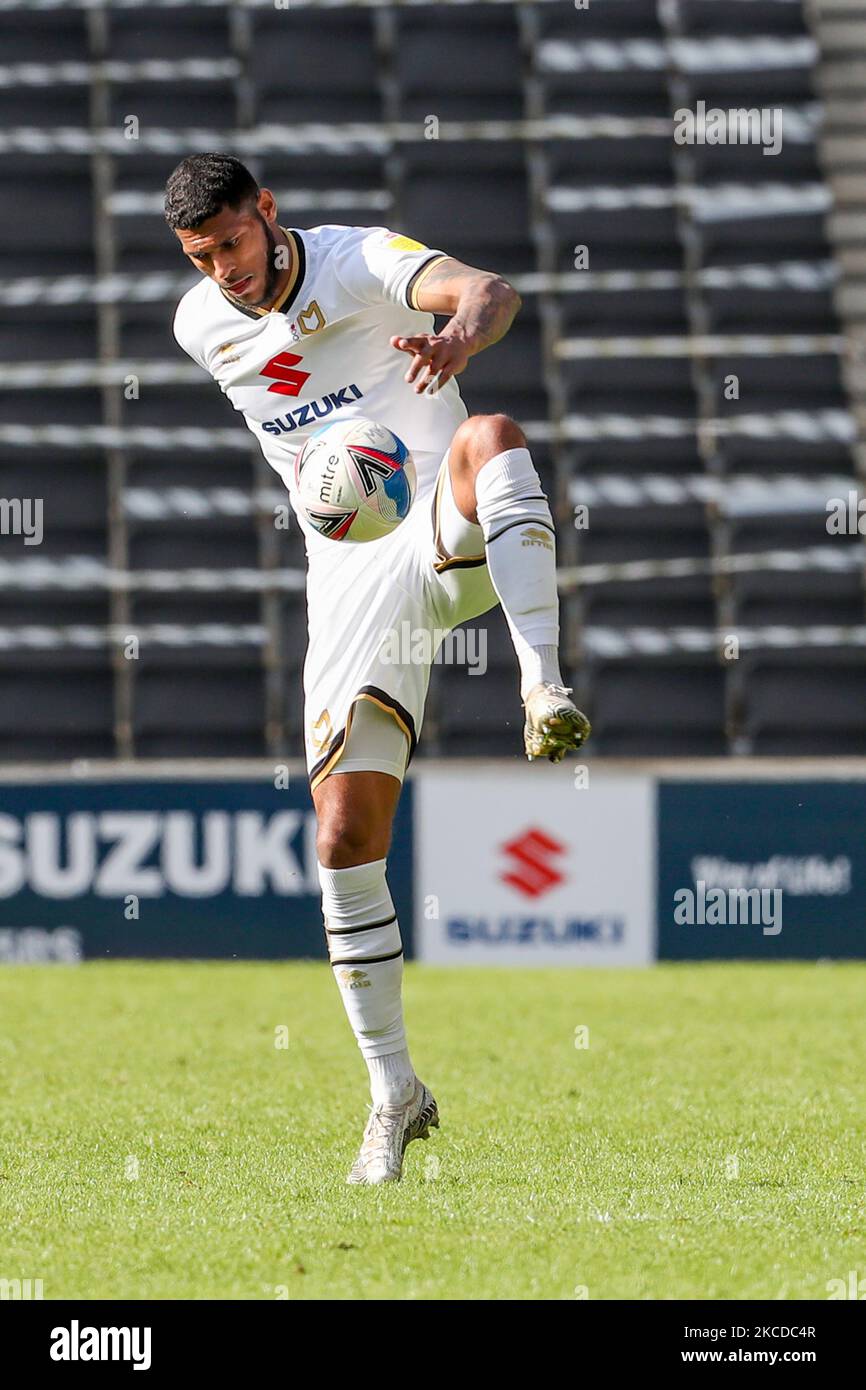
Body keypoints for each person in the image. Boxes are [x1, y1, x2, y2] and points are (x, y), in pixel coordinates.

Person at [166, 152, 590, 1184]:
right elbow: (287, 375)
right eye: (199, 253)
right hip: (351, 565)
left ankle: (541, 682)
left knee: (490, 432)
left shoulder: (355, 261)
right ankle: (393, 1093)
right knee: (343, 837)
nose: (224, 267)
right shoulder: (199, 324)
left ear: (267, 212)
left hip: (444, 522)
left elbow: (490, 290)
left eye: (231, 240)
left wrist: (452, 336)